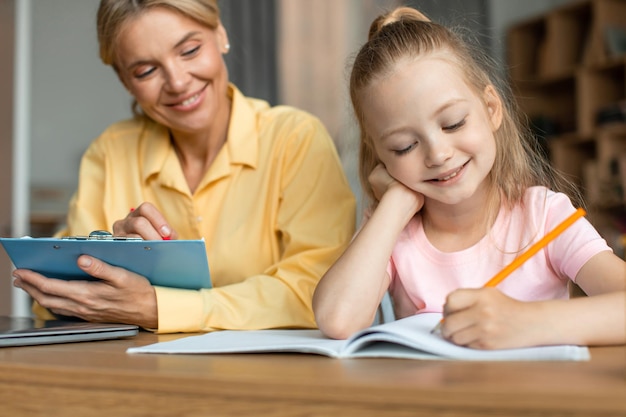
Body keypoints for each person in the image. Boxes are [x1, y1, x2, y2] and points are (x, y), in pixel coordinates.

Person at [12, 0, 356, 333]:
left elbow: (315, 290)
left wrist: (159, 307)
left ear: (220, 33)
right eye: (146, 70)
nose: (177, 82)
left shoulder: (295, 139)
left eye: (189, 50)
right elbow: (61, 297)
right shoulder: (111, 152)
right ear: (125, 80)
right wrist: (104, 262)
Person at [313, 7, 626, 349]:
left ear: (491, 108)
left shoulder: (544, 217)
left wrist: (527, 322)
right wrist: (397, 204)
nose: (438, 154)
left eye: (453, 124)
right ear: (381, 159)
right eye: (404, 147)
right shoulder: (392, 231)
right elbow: (337, 319)